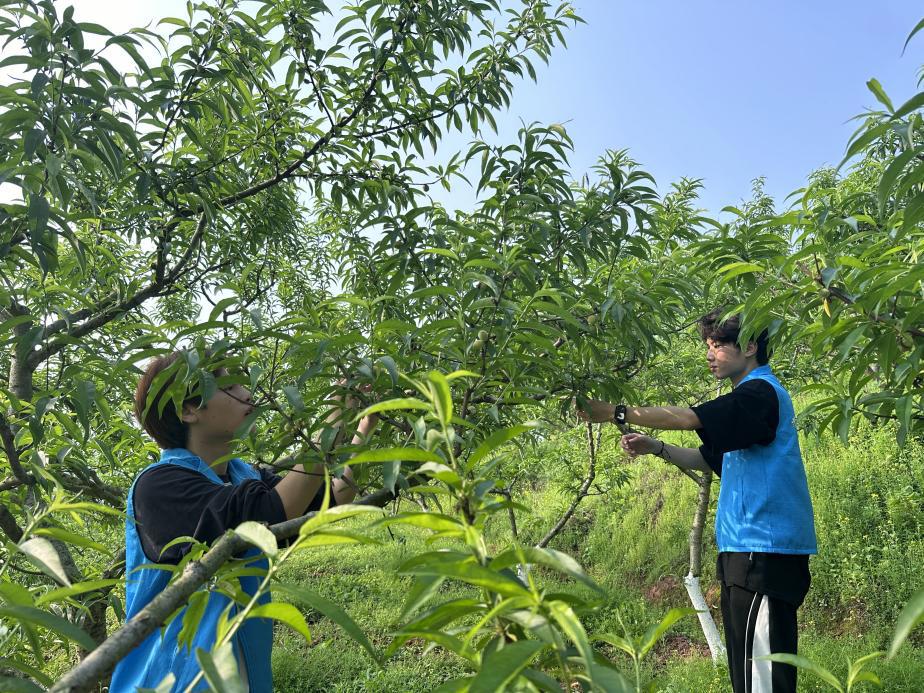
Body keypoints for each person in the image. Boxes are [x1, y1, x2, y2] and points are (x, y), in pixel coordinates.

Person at [577, 308, 816, 693]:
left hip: (763, 552)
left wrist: (614, 411)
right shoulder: (748, 403)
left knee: (763, 676)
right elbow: (708, 459)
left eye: (718, 345)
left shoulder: (760, 393)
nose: (709, 354)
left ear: (749, 347)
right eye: (708, 345)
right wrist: (655, 447)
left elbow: (688, 418)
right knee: (748, 675)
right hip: (745, 551)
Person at [110, 351, 377, 692]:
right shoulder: (160, 485)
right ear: (188, 410)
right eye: (229, 386)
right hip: (171, 682)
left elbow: (332, 498)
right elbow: (272, 511)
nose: (248, 393)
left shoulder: (243, 475)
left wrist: (365, 424)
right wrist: (333, 413)